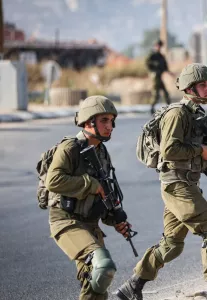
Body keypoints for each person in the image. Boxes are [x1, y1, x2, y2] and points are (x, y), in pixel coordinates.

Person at [115, 64, 207, 300]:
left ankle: (131, 287)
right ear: (189, 88)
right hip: (177, 185)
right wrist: (201, 150)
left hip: (185, 184)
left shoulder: (195, 114)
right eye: (203, 85)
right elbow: (170, 150)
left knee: (172, 244)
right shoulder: (177, 114)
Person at [45, 96, 132, 300]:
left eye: (111, 121)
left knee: (97, 287)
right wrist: (90, 184)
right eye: (104, 120)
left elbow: (104, 193)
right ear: (88, 121)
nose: (110, 126)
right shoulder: (70, 148)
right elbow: (54, 180)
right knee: (103, 266)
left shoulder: (102, 152)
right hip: (67, 221)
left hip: (91, 224)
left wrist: (115, 220)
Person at [146, 39, 174, 114]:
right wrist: (152, 70)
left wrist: (169, 72)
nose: (158, 47)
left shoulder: (161, 56)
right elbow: (147, 64)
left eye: (159, 46)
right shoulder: (152, 55)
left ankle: (169, 107)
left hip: (159, 77)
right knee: (156, 93)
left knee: (165, 93)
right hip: (155, 77)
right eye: (157, 46)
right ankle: (152, 108)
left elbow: (165, 66)